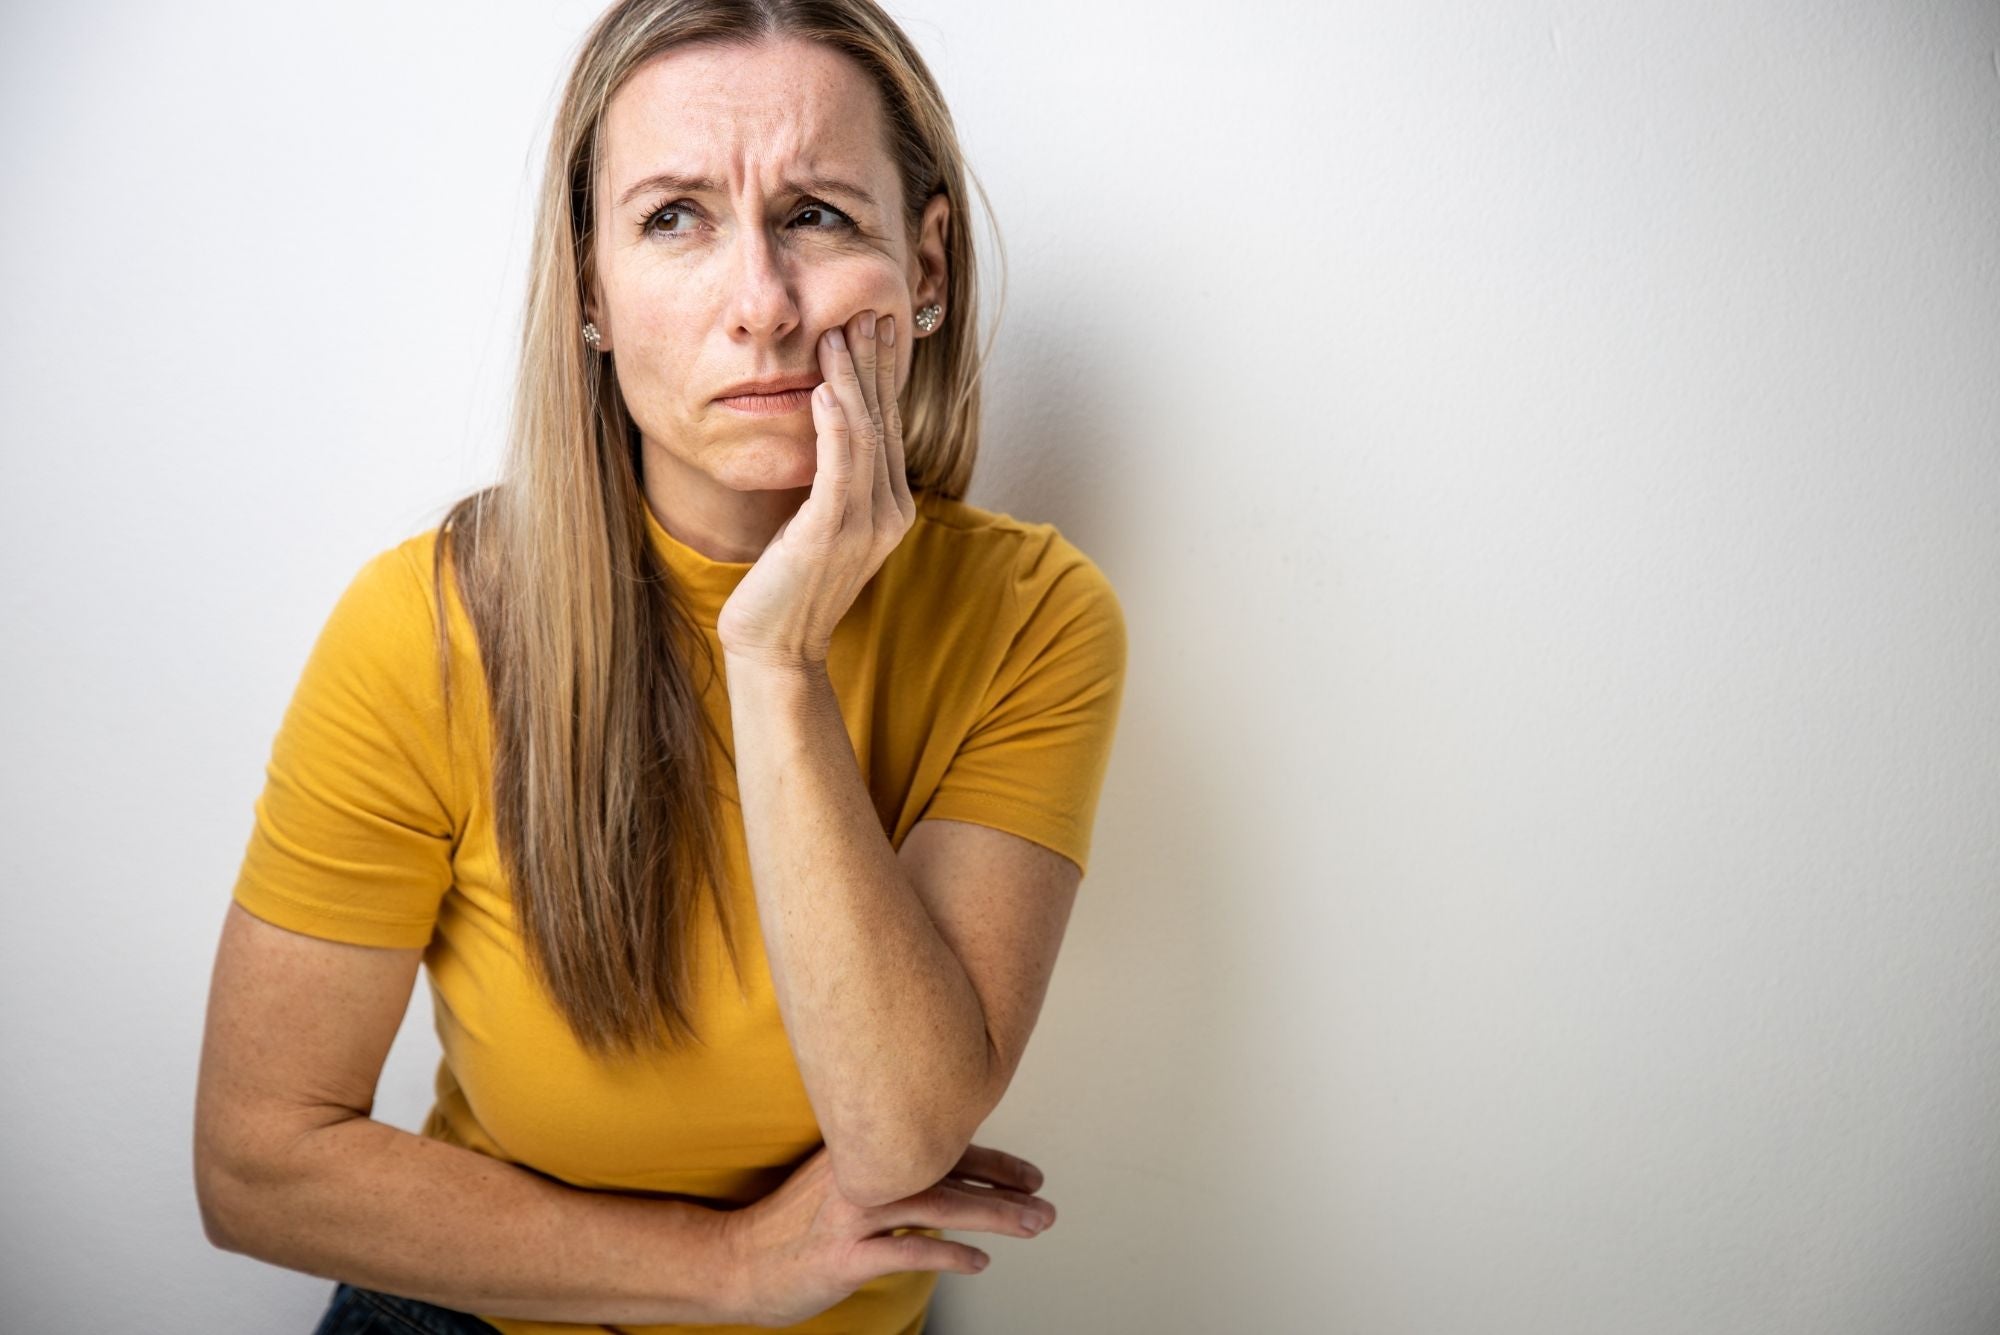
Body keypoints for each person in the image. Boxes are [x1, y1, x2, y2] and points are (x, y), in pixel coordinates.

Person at [192, 2, 1128, 1333]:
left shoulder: (1033, 618)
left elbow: (901, 1132)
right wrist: (732, 1268)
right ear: (589, 290)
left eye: (815, 214)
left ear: (923, 264)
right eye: (674, 218)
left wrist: (776, 656)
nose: (762, 307)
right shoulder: (424, 628)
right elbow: (256, 1165)